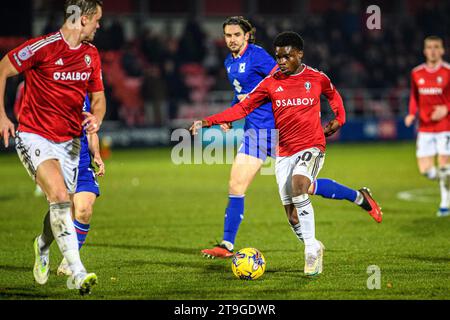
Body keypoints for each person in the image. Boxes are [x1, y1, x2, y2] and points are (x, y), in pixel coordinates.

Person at [201, 18, 383, 259]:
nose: (231, 39)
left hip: (279, 130)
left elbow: (283, 80)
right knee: (238, 186)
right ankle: (227, 244)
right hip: (256, 132)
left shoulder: (260, 57)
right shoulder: (229, 62)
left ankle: (350, 205)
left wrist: (310, 109)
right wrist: (227, 117)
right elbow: (245, 97)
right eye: (227, 35)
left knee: (301, 186)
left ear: (247, 36)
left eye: (236, 34)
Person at [0, 0, 106, 295]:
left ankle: (43, 245)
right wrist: (1, 115)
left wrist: (95, 120)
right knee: (59, 196)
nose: (99, 25)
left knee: (63, 204)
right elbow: (2, 68)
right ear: (83, 19)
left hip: (70, 141)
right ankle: (77, 271)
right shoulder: (41, 48)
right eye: (97, 20)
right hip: (34, 135)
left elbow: (98, 98)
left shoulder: (91, 55)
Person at [57, 96, 105, 276]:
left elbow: (91, 130)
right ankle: (42, 245)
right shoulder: (49, 90)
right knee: (63, 215)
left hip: (83, 164)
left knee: (84, 210)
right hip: (58, 164)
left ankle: (69, 262)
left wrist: (97, 155)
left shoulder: (83, 93)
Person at [405, 36, 450, 217]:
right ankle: (445, 177)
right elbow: (414, 96)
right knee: (427, 171)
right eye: (429, 47)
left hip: (445, 127)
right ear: (424, 51)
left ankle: (445, 204)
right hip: (424, 127)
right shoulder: (416, 73)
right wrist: (411, 113)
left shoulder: (448, 71)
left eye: (436, 47)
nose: (432, 50)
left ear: (442, 50)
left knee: (444, 166)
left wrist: (446, 108)